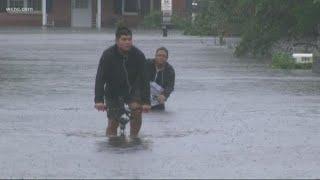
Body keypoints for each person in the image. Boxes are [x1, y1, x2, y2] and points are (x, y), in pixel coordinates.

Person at [94, 26, 151, 137]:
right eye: (124, 39)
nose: (127, 42)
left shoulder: (138, 55)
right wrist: (98, 100)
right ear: (117, 41)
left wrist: (146, 102)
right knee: (113, 123)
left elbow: (145, 80)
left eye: (129, 39)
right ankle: (112, 144)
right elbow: (100, 78)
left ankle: (134, 139)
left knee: (137, 112)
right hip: (113, 91)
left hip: (132, 90)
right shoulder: (108, 55)